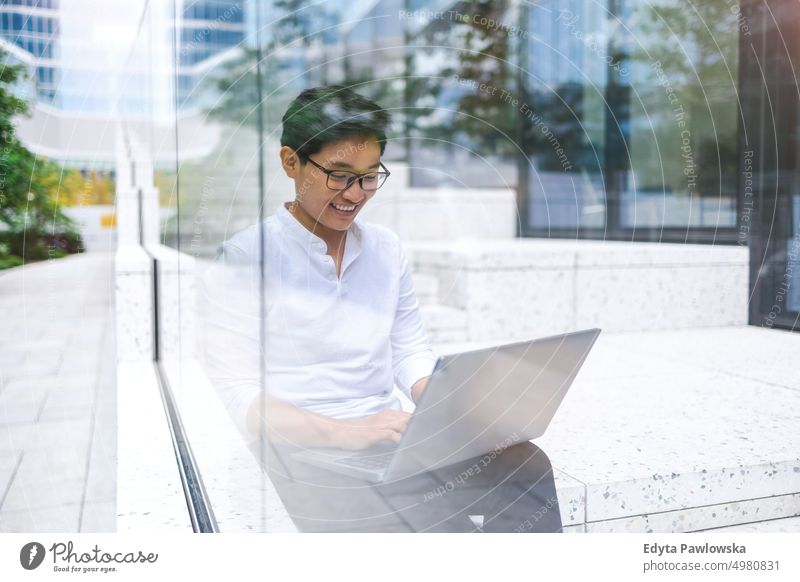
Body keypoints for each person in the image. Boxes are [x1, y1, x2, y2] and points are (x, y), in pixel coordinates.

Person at [203, 85, 562, 532]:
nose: (354, 195)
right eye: (338, 174)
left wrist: (443, 401)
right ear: (290, 162)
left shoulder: (385, 249)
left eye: (369, 176)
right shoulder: (244, 258)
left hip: (388, 435)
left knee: (524, 466)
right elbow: (240, 396)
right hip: (305, 447)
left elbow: (408, 347)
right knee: (436, 522)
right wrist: (345, 432)